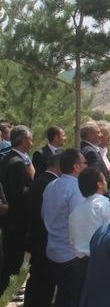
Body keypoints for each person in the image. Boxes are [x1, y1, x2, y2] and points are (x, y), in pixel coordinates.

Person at [42, 149, 87, 307]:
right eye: (84, 163)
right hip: (70, 254)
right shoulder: (76, 189)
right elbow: (79, 222)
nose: (85, 166)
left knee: (62, 296)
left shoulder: (51, 185)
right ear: (76, 166)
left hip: (54, 249)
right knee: (71, 298)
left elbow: (44, 215)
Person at [0, 124, 34, 292]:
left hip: (9, 218)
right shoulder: (18, 162)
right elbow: (18, 192)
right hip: (17, 219)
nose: (32, 143)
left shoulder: (8, 158)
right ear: (22, 140)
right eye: (29, 139)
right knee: (14, 256)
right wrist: (35, 189)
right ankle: (9, 290)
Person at [24, 153, 60, 307]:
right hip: (45, 238)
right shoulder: (52, 184)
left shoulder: (39, 180)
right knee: (44, 282)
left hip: (34, 236)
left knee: (36, 279)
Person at [69, 167, 110, 258]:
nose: (106, 183)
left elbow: (72, 240)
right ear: (99, 184)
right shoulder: (107, 206)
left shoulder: (75, 212)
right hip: (101, 261)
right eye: (104, 180)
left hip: (80, 263)